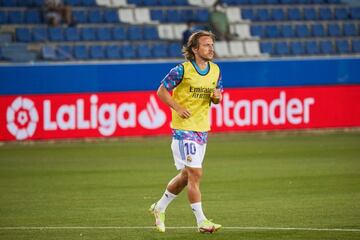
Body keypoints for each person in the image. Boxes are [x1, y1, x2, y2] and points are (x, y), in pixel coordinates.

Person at [149, 30, 223, 234]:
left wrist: (217, 98)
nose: (211, 49)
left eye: (212, 45)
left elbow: (217, 97)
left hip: (202, 129)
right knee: (195, 173)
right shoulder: (182, 70)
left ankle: (159, 207)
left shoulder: (215, 70)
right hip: (183, 130)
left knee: (185, 176)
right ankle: (201, 221)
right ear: (194, 49)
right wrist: (177, 107)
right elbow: (161, 90)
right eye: (206, 45)